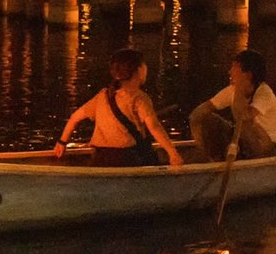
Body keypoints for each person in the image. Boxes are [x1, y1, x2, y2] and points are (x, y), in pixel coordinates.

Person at [52, 48, 185, 168]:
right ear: (139, 70)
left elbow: (74, 118)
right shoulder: (139, 98)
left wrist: (62, 142)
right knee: (151, 155)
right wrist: (173, 153)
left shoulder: (103, 95)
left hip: (100, 159)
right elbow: (154, 126)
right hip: (127, 159)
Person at [190, 49, 276, 162]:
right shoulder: (231, 91)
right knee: (208, 118)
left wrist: (239, 90)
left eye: (234, 67)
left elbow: (243, 117)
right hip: (247, 144)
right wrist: (203, 148)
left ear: (248, 74)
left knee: (246, 123)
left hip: (273, 149)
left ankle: (245, 159)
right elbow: (196, 115)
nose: (230, 72)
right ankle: (216, 160)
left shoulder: (264, 92)